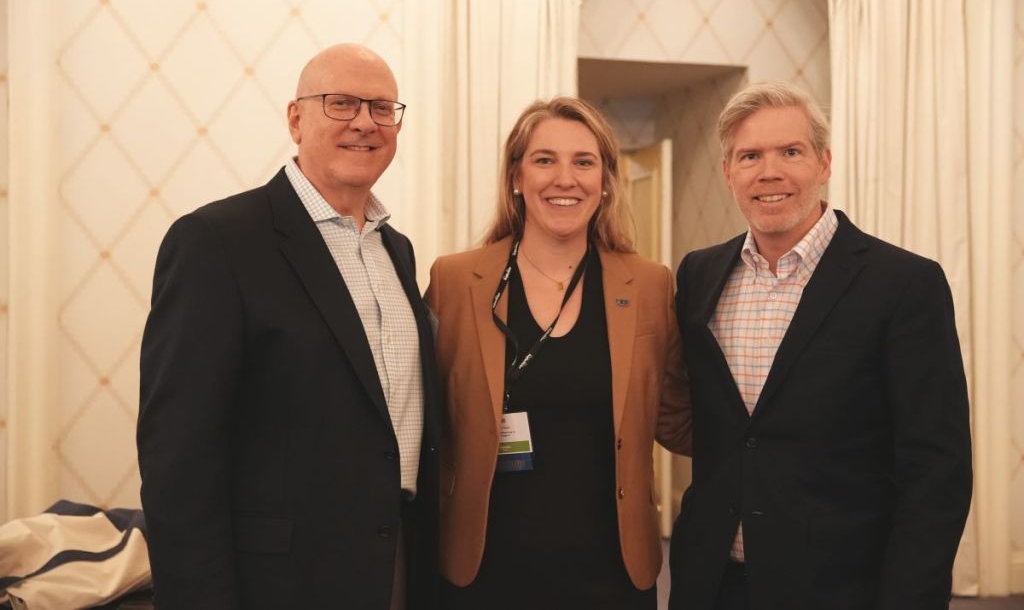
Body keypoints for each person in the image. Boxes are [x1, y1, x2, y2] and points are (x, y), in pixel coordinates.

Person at [137, 44, 440, 609]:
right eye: (341, 103)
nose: (365, 123)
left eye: (381, 108)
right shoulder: (218, 242)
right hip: (277, 583)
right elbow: (177, 458)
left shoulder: (395, 250)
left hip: (396, 564)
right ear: (296, 119)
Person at [658, 81, 972, 609]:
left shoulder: (903, 284)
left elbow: (937, 469)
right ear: (728, 172)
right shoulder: (698, 274)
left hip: (842, 586)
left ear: (824, 163)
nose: (769, 172)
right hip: (710, 583)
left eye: (791, 151)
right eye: (750, 156)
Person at [425, 97, 689, 609]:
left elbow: (677, 417)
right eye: (544, 160)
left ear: (606, 180)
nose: (564, 179)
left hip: (610, 573)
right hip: (484, 572)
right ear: (516, 177)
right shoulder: (455, 282)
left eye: (584, 162)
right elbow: (423, 420)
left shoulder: (649, 285)